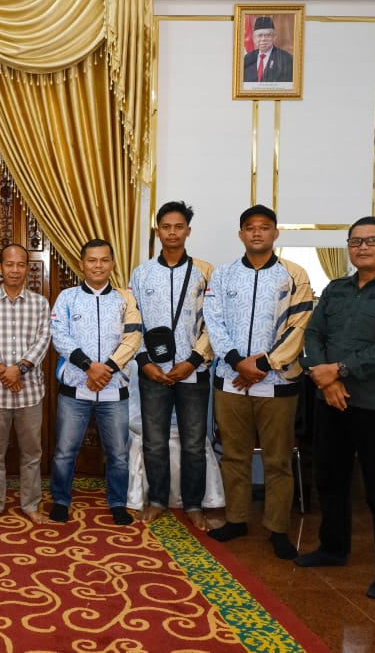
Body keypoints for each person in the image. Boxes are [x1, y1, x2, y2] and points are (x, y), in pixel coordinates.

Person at [296, 217, 375, 602]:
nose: (362, 247)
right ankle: (333, 548)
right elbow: (314, 334)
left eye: (372, 240)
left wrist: (339, 370)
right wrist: (327, 381)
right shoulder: (336, 289)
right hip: (331, 401)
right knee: (330, 479)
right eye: (355, 241)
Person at [204, 204, 312, 559]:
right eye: (250, 227)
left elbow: (300, 325)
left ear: (275, 233)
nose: (256, 232)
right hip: (230, 379)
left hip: (278, 381)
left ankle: (277, 528)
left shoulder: (293, 274)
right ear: (241, 234)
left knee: (277, 459)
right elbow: (213, 321)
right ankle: (236, 519)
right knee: (233, 455)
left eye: (264, 227)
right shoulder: (223, 275)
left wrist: (263, 364)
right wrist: (237, 361)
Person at [129, 201, 215, 530]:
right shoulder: (142, 274)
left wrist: (192, 361)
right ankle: (157, 500)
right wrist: (143, 362)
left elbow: (215, 323)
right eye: (166, 227)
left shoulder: (205, 272)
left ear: (188, 231)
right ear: (158, 231)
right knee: (154, 441)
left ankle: (193, 505)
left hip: (194, 372)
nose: (172, 232)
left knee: (194, 442)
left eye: (179, 227)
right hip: (153, 372)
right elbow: (133, 323)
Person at [48, 239, 141, 525]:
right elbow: (59, 335)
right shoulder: (67, 297)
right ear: (82, 264)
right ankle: (61, 500)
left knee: (118, 453)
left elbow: (133, 336)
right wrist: (89, 367)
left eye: (104, 260)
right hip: (75, 388)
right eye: (92, 260)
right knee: (65, 451)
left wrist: (107, 370)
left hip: (114, 389)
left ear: (112, 263)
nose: (98, 265)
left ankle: (118, 502)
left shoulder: (125, 299)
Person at [0, 243, 51, 524]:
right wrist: (4, 372)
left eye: (21, 265)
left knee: (32, 453)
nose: (15, 270)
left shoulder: (40, 303)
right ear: (0, 267)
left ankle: (31, 504)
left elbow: (43, 339)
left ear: (28, 268)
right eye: (9, 264)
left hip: (30, 391)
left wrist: (19, 370)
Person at [243, 16, 294, 83]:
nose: (263, 39)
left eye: (267, 35)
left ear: (274, 37)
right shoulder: (247, 58)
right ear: (254, 38)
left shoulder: (286, 59)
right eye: (260, 35)